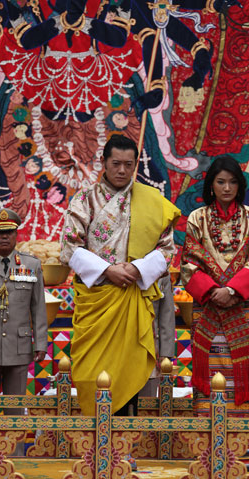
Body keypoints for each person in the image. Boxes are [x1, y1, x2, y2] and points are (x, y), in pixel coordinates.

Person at [60, 134, 181, 416]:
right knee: (95, 374)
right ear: (104, 162)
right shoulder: (84, 200)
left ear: (135, 164)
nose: (122, 170)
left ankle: (128, 453)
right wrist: (107, 270)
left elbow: (167, 250)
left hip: (134, 300)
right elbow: (69, 248)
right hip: (98, 303)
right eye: (116, 163)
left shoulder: (151, 200)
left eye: (129, 164)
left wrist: (137, 268)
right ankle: (98, 448)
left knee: (132, 374)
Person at [181, 156, 249, 415]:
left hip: (239, 302)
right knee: (208, 365)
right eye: (220, 182)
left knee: (239, 368)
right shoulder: (197, 218)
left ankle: (244, 439)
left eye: (232, 182)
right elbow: (188, 262)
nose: (226, 188)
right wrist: (213, 292)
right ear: (211, 185)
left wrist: (230, 290)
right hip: (207, 303)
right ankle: (206, 439)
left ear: (240, 185)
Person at [0, 208, 48, 427]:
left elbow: (38, 307)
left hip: (18, 347)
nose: (5, 236)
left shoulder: (31, 265)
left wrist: (41, 343)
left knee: (15, 411)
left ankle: (15, 458)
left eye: (10, 231)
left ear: (17, 234)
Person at [139, 273, 176, 398]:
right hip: (117, 347)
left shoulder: (159, 271)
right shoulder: (114, 268)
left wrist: (165, 353)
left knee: (146, 405)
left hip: (150, 348)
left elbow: (167, 314)